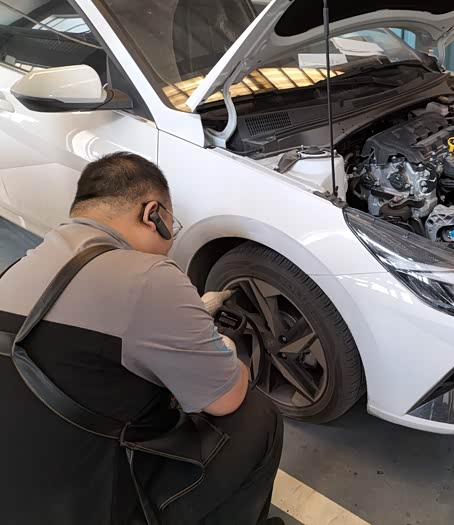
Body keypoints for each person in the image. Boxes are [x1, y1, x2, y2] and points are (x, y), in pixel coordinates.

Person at [0, 152, 284, 525]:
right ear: (153, 214)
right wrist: (225, 349)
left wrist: (188, 316)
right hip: (97, 506)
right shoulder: (147, 275)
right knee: (257, 416)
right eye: (172, 225)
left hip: (18, 493)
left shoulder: (19, 268)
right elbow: (226, 399)